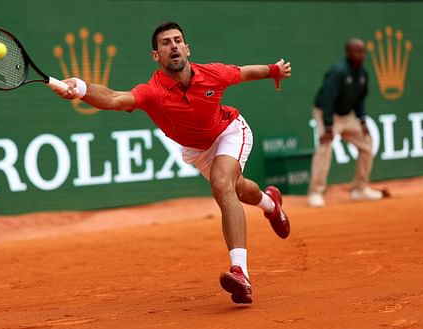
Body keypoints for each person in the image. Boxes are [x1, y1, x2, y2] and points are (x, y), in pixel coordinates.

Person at [53, 21, 291, 304]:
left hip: (230, 130)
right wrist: (80, 88)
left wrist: (274, 70)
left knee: (222, 185)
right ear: (157, 55)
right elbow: (115, 98)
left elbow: (244, 72)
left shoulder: (212, 74)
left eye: (178, 40)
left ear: (187, 48)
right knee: (237, 189)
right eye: (166, 43)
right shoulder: (153, 92)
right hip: (197, 150)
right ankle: (270, 203)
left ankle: (240, 272)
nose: (173, 45)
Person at [307, 38, 384, 208]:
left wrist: (362, 120)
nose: (361, 55)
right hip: (327, 113)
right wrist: (328, 126)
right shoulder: (338, 71)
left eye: (363, 51)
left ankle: (360, 189)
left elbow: (360, 100)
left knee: (367, 145)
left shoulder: (363, 73)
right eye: (357, 51)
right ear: (348, 53)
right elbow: (327, 99)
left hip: (347, 115)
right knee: (325, 148)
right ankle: (315, 192)